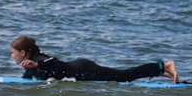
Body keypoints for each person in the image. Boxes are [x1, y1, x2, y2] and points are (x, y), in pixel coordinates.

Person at [10, 35, 180, 83]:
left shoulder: (38, 59)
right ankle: (163, 73)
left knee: (124, 76)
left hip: (85, 70)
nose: (11, 56)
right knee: (123, 75)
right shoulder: (29, 64)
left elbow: (52, 61)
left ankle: (164, 65)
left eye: (13, 52)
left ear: (23, 52)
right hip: (81, 70)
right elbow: (26, 80)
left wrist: (37, 64)